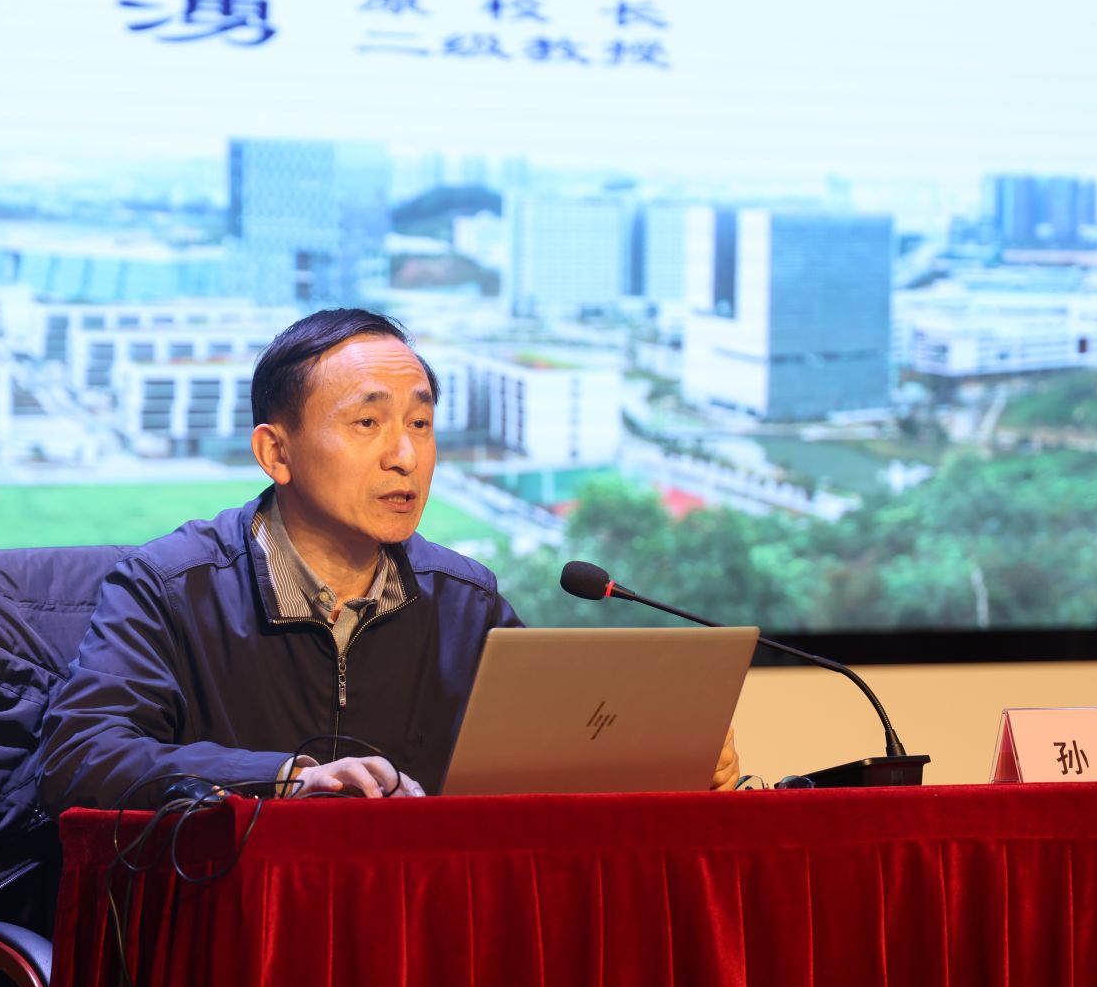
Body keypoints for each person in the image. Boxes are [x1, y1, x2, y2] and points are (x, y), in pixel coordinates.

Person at [38, 308, 737, 810]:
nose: (405, 455)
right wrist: (287, 777)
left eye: (421, 424)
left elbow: (538, 763)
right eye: (368, 423)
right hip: (243, 925)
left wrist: (666, 758)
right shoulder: (171, 587)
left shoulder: (465, 600)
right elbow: (80, 755)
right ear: (275, 452)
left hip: (419, 928)